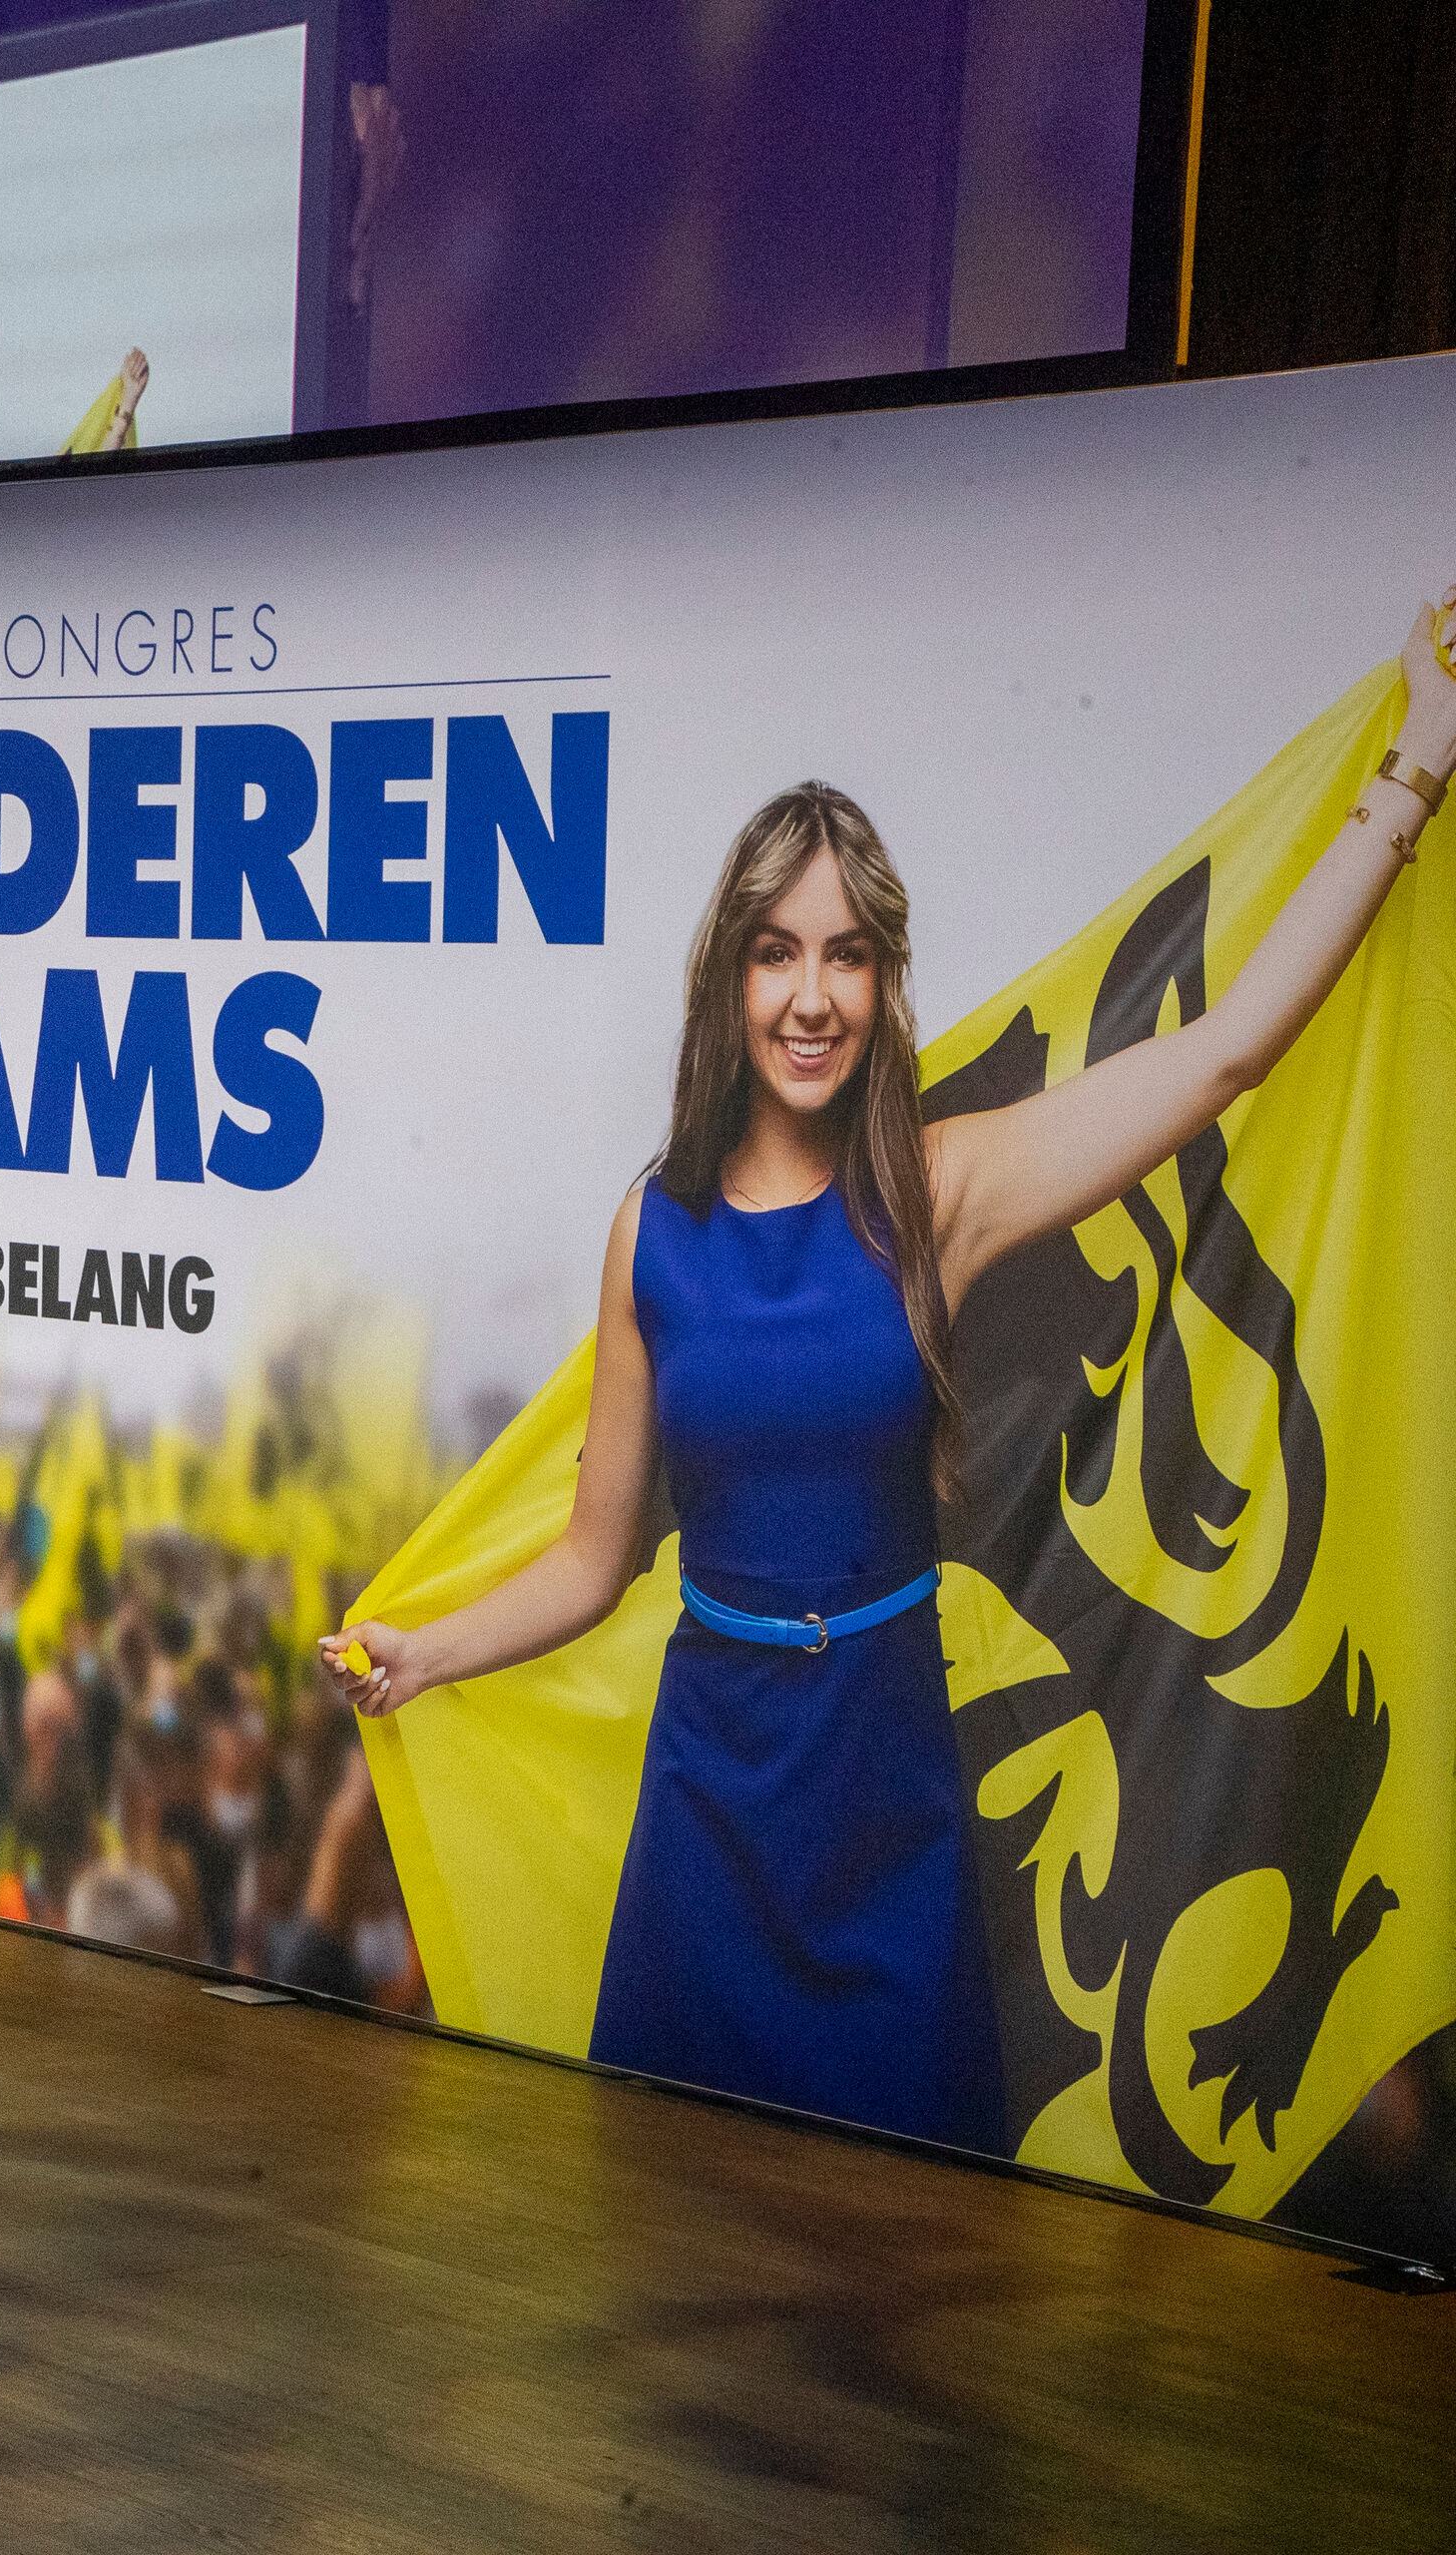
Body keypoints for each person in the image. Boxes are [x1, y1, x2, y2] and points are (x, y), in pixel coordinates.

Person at [322, 591, 1456, 2148]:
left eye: (847, 957)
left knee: (906, 2242)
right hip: (709, 1807)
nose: (812, 997)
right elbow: (595, 1558)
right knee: (670, 2222)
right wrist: (426, 1654)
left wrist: (1420, 759)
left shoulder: (937, 1192)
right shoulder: (652, 1234)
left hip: (885, 1793)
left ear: (884, 980)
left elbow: (1227, 1051)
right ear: (729, 979)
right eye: (778, 954)